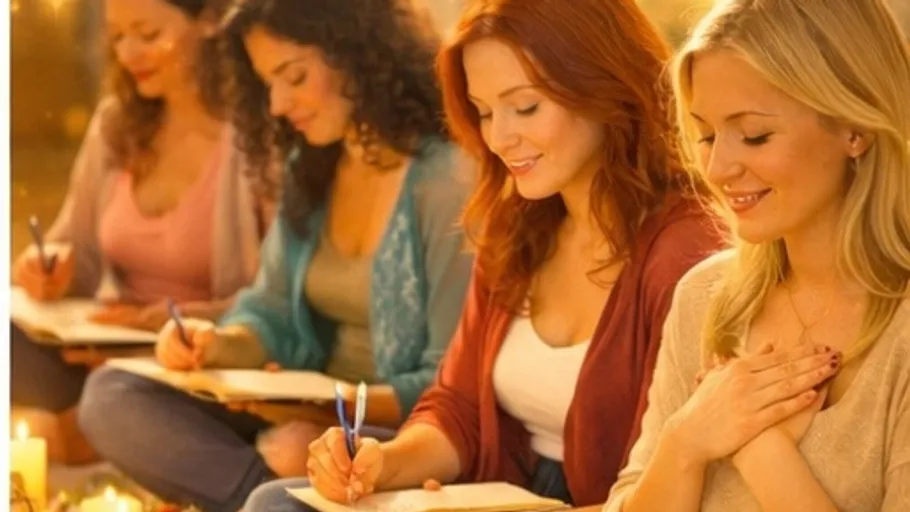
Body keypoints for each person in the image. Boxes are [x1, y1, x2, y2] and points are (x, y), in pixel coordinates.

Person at [246, 0, 728, 509]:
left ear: (605, 87)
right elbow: (459, 409)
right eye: (484, 112)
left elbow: (671, 476)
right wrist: (382, 464)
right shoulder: (519, 225)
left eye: (525, 107)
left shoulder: (686, 251)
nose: (499, 137)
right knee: (276, 503)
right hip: (498, 493)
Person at [77, 0, 473, 509]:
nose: (278, 105)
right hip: (304, 409)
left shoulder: (445, 181)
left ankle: (271, 494)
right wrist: (216, 343)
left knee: (292, 445)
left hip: (392, 436)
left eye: (294, 77)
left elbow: (450, 387)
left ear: (357, 54)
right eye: (268, 84)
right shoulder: (309, 167)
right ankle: (264, 496)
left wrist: (323, 410)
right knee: (114, 395)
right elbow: (272, 313)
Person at [603, 1, 910, 511]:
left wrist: (757, 446)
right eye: (705, 135)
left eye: (754, 136)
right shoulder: (704, 296)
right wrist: (685, 442)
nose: (719, 167)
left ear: (855, 130)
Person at [10, 0, 269, 465]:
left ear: (210, 21)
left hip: (198, 361)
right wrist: (46, 268)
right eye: (117, 36)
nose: (129, 53)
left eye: (148, 35)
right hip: (100, 350)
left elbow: (278, 300)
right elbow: (77, 252)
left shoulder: (256, 136)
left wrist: (165, 323)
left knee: (112, 398)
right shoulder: (116, 124)